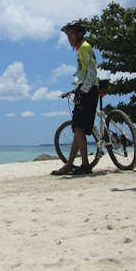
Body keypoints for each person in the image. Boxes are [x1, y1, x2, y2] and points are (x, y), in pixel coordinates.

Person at [51, 20, 99, 175]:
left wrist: (83, 90)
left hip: (88, 91)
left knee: (78, 128)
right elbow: (84, 73)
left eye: (71, 34)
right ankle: (70, 164)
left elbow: (92, 72)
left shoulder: (84, 48)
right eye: (67, 35)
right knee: (77, 129)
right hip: (86, 90)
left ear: (80, 33)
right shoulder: (82, 49)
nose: (69, 37)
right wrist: (76, 88)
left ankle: (85, 165)